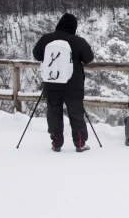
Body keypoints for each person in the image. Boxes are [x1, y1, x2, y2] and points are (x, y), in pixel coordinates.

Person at [33, 13, 94, 152]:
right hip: (73, 86)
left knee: (53, 114)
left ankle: (56, 143)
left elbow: (36, 55)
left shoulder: (46, 39)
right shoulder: (78, 41)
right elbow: (89, 58)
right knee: (76, 114)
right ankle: (80, 143)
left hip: (51, 84)